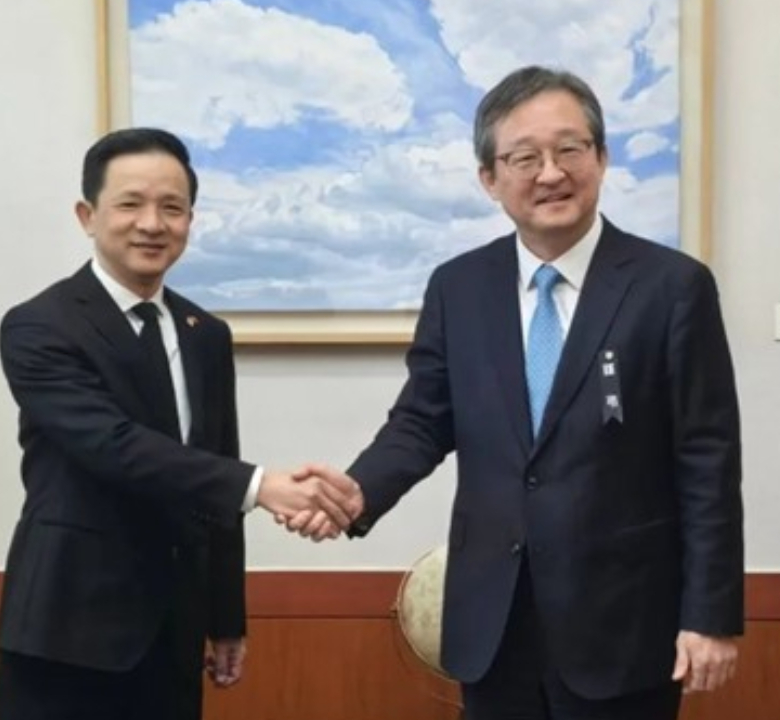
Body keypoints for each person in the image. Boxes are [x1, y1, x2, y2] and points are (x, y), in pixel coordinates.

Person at [288, 66, 743, 720]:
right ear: (490, 178)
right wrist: (358, 492)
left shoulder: (672, 287)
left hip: (625, 623)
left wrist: (711, 613)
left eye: (570, 149)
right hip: (493, 622)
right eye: (525, 157)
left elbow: (708, 459)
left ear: (602, 157)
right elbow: (421, 420)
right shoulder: (459, 287)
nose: (550, 172)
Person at [0, 127, 359, 720]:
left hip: (172, 635)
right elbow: (113, 446)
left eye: (172, 207)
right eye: (130, 204)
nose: (152, 224)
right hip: (66, 634)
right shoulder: (39, 326)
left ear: (191, 219)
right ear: (88, 215)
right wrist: (262, 486)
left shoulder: (205, 335)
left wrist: (225, 617)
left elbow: (213, 472)